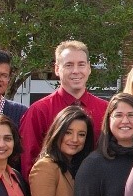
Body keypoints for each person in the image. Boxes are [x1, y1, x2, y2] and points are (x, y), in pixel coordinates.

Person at [19, 40, 108, 172]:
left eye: (81, 65)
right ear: (57, 69)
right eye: (69, 65)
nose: (76, 71)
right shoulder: (39, 111)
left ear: (89, 68)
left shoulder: (106, 110)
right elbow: (28, 162)